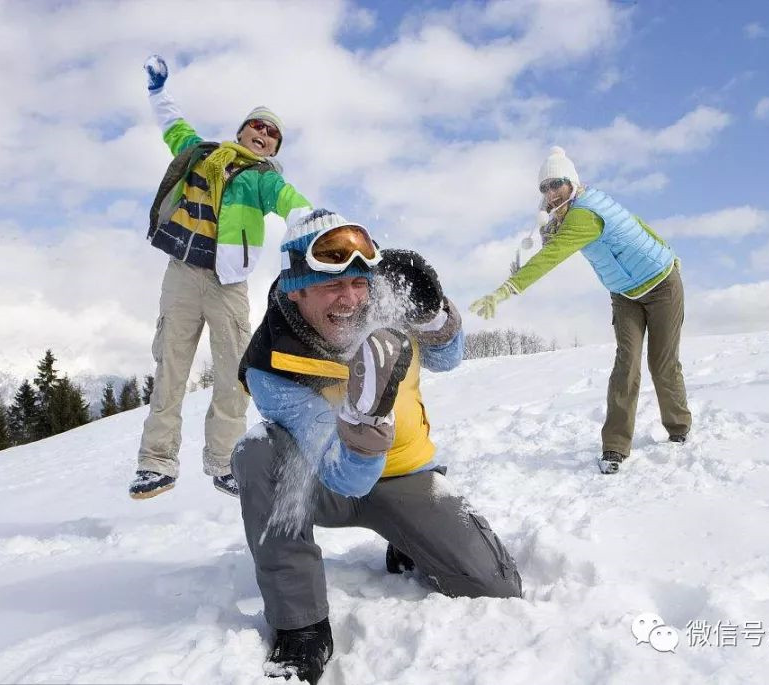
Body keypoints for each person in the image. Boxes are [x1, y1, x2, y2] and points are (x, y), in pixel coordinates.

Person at [233, 209, 522, 683]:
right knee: (257, 452)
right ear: (296, 288)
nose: (349, 299)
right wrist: (366, 420)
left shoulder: (388, 300)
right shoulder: (272, 362)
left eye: (358, 283)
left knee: (495, 585)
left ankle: (404, 534)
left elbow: (448, 358)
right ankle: (300, 624)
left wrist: (434, 313)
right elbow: (348, 476)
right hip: (327, 482)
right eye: (331, 286)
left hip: (408, 476)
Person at [130, 55, 312, 500]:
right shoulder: (201, 154)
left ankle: (225, 462)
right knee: (171, 367)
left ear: (274, 148)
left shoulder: (262, 180)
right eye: (258, 126)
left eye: (272, 134)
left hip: (228, 285)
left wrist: (322, 226)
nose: (264, 135)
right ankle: (156, 464)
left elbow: (294, 203)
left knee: (234, 373)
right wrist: (157, 92)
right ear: (242, 130)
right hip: (182, 275)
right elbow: (174, 125)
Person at [470, 147, 691, 475]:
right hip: (625, 294)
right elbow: (629, 224)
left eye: (556, 184)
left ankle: (678, 427)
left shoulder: (586, 215)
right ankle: (615, 447)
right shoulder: (564, 214)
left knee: (662, 363)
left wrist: (506, 289)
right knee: (625, 367)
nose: (550, 192)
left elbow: (551, 257)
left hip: (661, 285)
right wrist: (545, 232)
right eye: (544, 187)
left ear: (571, 183)